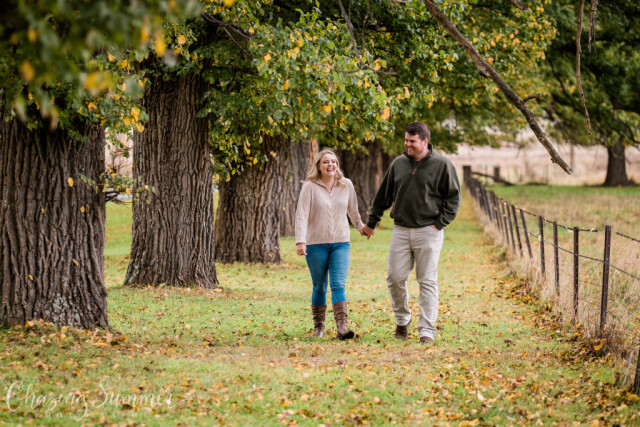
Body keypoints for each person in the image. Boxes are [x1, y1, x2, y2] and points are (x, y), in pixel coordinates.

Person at [362, 122, 461, 343]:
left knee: (427, 281)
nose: (407, 144)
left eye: (412, 141)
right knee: (395, 278)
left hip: (429, 230)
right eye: (406, 140)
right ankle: (402, 320)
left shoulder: (443, 165)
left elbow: (454, 198)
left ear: (425, 141)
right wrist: (372, 221)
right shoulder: (398, 164)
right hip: (401, 229)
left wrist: (439, 223)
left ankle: (427, 330)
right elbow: (383, 196)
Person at [295, 149, 364, 340]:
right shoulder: (309, 187)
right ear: (318, 166)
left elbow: (353, 211)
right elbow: (301, 215)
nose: (330, 165)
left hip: (341, 243)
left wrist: (361, 228)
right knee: (319, 286)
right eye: (325, 162)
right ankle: (319, 327)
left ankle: (342, 327)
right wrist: (300, 241)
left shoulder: (346, 185)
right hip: (315, 244)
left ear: (337, 164)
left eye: (333, 161)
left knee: (338, 284)